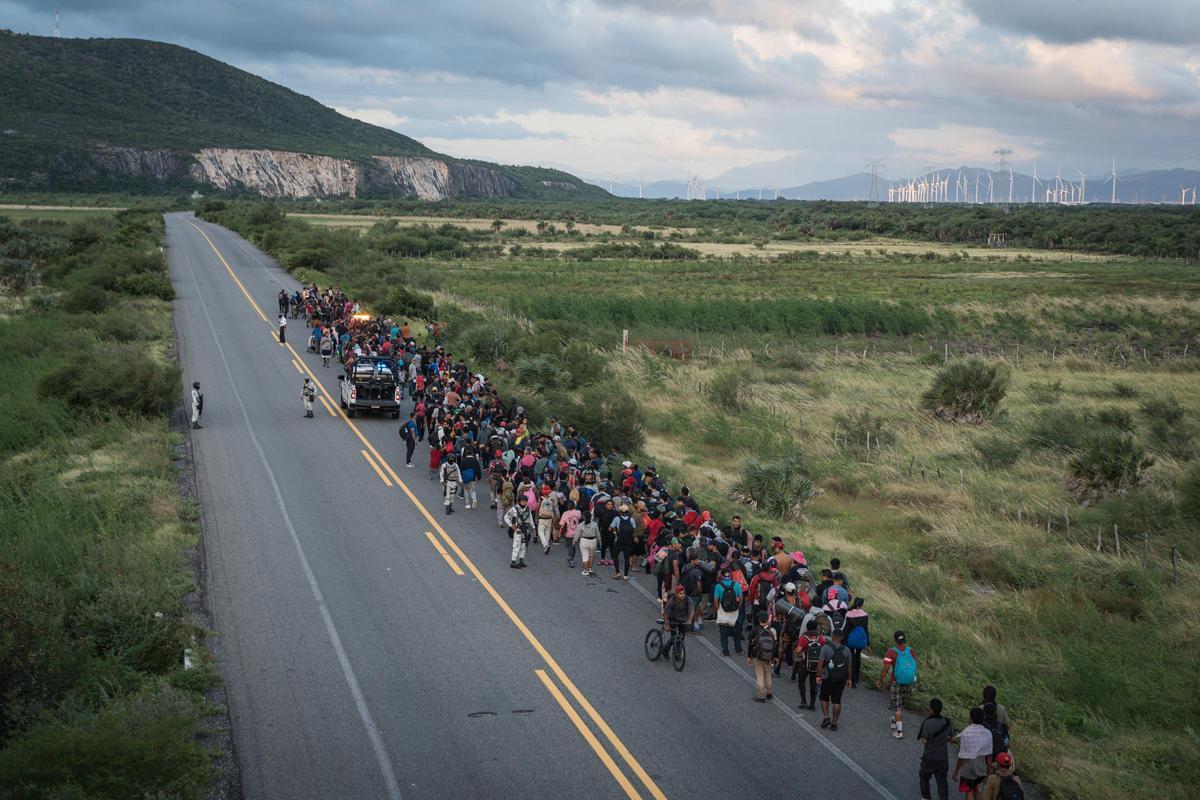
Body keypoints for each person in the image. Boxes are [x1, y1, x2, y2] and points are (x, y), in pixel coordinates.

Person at [876, 629, 917, 738]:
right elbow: (913, 665)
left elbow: (886, 668)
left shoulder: (891, 652)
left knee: (897, 708)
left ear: (895, 640)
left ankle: (899, 732)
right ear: (904, 639)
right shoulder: (911, 651)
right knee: (900, 704)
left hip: (896, 681)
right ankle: (894, 721)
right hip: (909, 681)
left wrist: (880, 680)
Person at [918, 697, 956, 800]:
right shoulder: (947, 722)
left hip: (929, 757)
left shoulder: (927, 722)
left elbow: (924, 740)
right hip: (943, 758)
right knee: (942, 781)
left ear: (931, 710)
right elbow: (953, 739)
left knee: (924, 776)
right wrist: (944, 739)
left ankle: (926, 797)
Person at [953, 707, 993, 800]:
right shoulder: (988, 733)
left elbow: (961, 756)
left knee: (969, 791)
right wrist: (988, 772)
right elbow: (989, 756)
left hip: (969, 768)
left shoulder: (966, 732)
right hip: (981, 768)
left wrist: (956, 771)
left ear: (971, 718)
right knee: (976, 789)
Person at [816, 628, 851, 730]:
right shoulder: (847, 650)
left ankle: (826, 716)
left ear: (832, 636)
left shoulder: (826, 648)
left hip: (827, 677)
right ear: (842, 638)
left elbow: (820, 663)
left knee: (824, 697)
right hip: (841, 678)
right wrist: (849, 679)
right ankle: (834, 723)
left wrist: (818, 675)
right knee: (836, 700)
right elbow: (849, 666)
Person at [747, 610, 777, 703]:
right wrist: (774, 657)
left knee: (760, 675)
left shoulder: (755, 630)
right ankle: (769, 693)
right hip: (769, 656)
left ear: (758, 619)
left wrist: (749, 657)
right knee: (768, 675)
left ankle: (761, 696)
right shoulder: (772, 630)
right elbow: (775, 644)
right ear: (767, 619)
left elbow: (750, 644)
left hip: (758, 655)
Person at [795, 619, 825, 710]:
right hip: (816, 665)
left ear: (807, 628)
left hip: (805, 663)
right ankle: (812, 704)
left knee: (801, 681)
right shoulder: (821, 638)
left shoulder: (804, 638)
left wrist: (798, 652)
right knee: (814, 684)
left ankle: (803, 701)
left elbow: (798, 650)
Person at [713, 568, 743, 656]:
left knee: (723, 633)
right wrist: (738, 607)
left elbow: (715, 601)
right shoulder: (736, 584)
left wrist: (717, 611)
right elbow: (741, 598)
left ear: (721, 575)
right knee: (736, 632)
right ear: (730, 575)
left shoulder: (718, 586)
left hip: (723, 611)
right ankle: (738, 649)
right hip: (734, 611)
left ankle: (725, 651)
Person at [844, 597, 870, 687]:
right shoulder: (865, 615)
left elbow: (846, 628)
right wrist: (868, 643)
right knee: (858, 657)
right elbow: (866, 629)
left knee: (851, 657)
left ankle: (851, 677)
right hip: (861, 639)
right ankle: (857, 677)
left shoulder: (849, 613)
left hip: (850, 639)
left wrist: (843, 639)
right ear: (862, 604)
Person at [504, 502, 533, 569]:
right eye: (523, 501)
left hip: (525, 530)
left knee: (523, 546)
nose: (524, 502)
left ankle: (521, 561)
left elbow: (530, 519)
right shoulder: (514, 509)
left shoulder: (528, 508)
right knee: (516, 546)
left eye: (525, 501)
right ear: (519, 501)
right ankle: (513, 562)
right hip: (518, 530)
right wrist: (511, 525)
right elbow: (506, 517)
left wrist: (533, 527)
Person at [576, 508, 599, 576]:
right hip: (593, 541)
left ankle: (585, 571)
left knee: (585, 556)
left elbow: (577, 534)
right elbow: (597, 534)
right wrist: (599, 541)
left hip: (584, 541)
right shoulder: (595, 524)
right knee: (591, 556)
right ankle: (590, 568)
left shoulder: (581, 525)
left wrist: (574, 541)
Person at [558, 500, 581, 569]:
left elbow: (561, 523)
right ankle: (572, 557)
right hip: (576, 532)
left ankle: (571, 559)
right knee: (573, 545)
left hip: (568, 532)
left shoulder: (566, 513)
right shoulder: (578, 512)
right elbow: (579, 518)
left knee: (569, 545)